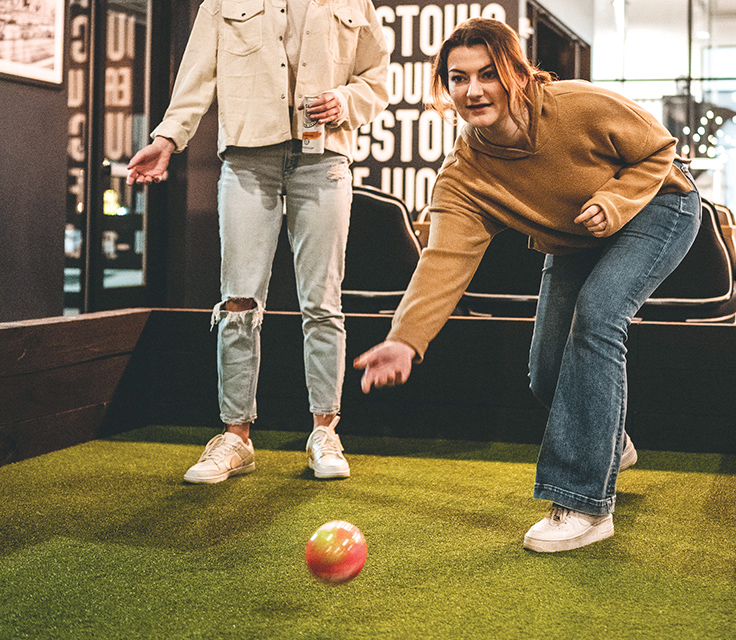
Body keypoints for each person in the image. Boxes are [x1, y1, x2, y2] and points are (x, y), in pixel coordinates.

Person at [353, 18, 701, 552]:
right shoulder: (465, 175)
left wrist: (613, 202)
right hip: (573, 239)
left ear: (515, 72)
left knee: (599, 315)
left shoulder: (576, 106)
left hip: (660, 208)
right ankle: (605, 442)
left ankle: (584, 502)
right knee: (546, 375)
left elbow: (658, 149)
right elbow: (443, 260)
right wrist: (405, 338)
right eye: (459, 78)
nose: (473, 90)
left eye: (488, 74)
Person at [126, 0, 389, 484]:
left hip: (324, 158)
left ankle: (325, 432)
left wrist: (346, 101)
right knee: (239, 301)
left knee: (323, 301)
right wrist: (167, 140)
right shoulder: (222, 2)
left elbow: (377, 78)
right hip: (248, 161)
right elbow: (196, 75)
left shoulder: (354, 3)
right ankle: (235, 437)